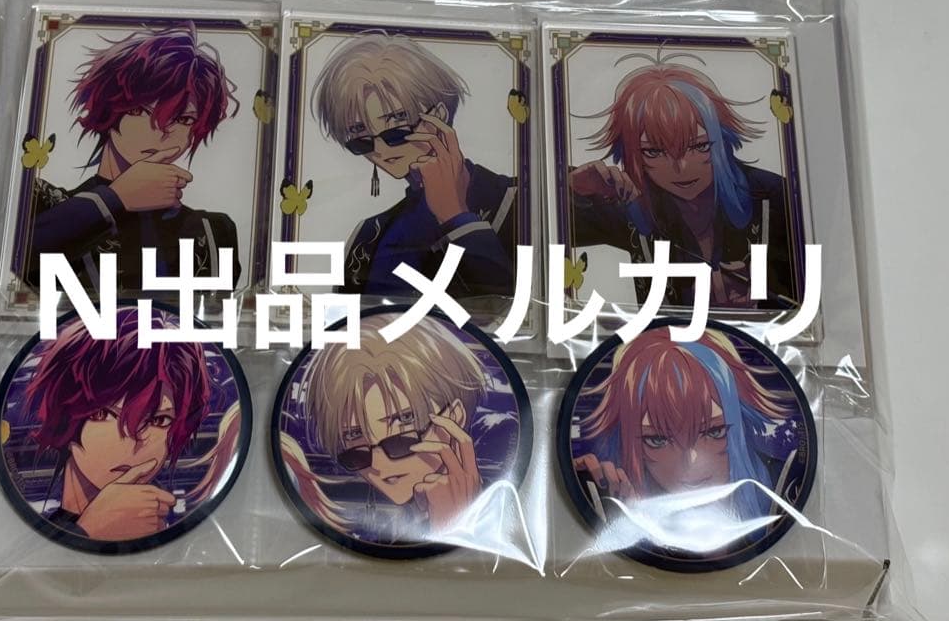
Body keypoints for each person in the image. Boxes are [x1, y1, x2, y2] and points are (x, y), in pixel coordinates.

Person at [568, 54, 798, 309]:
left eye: (699, 146)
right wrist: (573, 188)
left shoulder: (775, 198)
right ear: (633, 156)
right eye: (654, 152)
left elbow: (817, 303)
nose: (681, 168)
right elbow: (541, 224)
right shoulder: (631, 202)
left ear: (721, 140)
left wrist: (757, 303)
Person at [26, 23, 241, 294]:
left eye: (183, 119)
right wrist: (115, 198)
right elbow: (10, 263)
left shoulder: (213, 231)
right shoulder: (44, 204)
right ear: (108, 112)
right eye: (140, 111)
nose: (161, 132)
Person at [311, 31, 517, 298]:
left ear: (439, 115)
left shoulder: (515, 202)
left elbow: (507, 306)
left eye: (396, 127)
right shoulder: (368, 236)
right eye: (361, 139)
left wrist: (455, 215)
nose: (381, 150)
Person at [23, 308, 240, 542]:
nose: (131, 442)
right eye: (103, 414)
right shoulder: (24, 530)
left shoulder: (194, 535)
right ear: (63, 415)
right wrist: (88, 530)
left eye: (158, 420)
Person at [281, 314, 489, 538]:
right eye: (357, 449)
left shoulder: (498, 514)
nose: (379, 465)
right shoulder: (399, 527)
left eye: (402, 431)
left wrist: (454, 521)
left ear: (454, 417)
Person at [573, 327, 796, 527]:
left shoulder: (782, 490)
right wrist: (615, 514)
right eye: (658, 440)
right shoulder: (619, 491)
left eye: (714, 432)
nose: (691, 461)